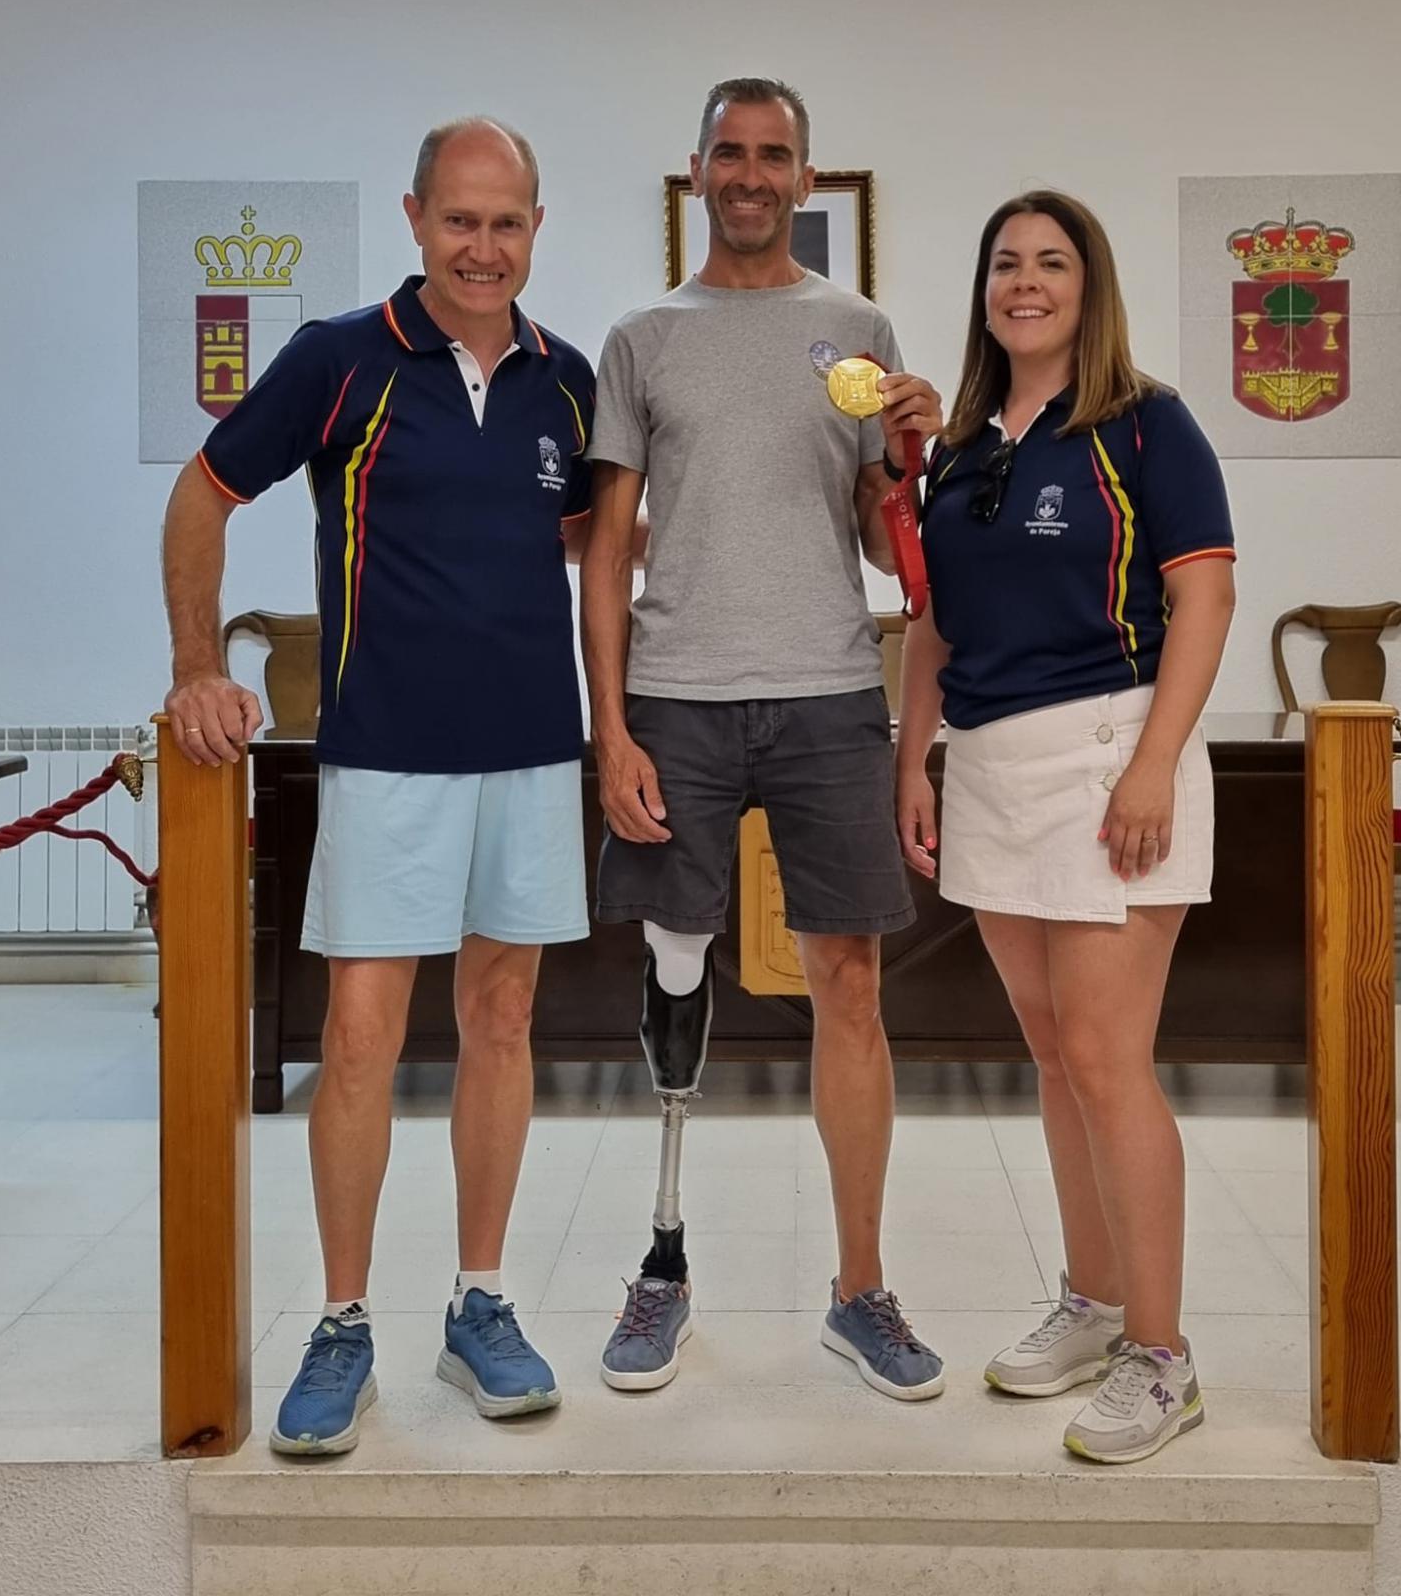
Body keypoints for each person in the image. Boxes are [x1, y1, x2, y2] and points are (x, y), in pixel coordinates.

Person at [160, 118, 598, 1454]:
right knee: (358, 1037)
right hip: (385, 752)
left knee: (502, 1020)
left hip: (532, 749)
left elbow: (587, 541)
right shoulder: (339, 358)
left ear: (535, 228)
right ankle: (342, 1321)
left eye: (506, 222)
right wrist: (197, 666)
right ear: (415, 218)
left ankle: (480, 1301)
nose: (483, 247)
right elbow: (202, 493)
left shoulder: (567, 380)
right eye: (459, 219)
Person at [579, 76, 947, 1400]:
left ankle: (860, 1290)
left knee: (848, 983)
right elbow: (605, 548)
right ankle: (663, 1264)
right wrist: (610, 728)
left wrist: (910, 453)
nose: (749, 173)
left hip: (827, 690)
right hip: (677, 693)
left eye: (772, 154)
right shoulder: (642, 340)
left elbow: (883, 541)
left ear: (803, 174)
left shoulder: (856, 332)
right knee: (678, 964)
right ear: (697, 171)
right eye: (727, 153)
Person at [896, 189, 1236, 1464]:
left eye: (1050, 262)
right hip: (987, 761)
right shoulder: (959, 449)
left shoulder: (1145, 424)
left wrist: (1151, 765)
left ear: (1087, 288)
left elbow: (1204, 599)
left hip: (1109, 757)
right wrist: (911, 758)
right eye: (1005, 263)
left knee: (1105, 1057)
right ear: (982, 290)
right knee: (1050, 1054)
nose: (1024, 282)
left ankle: (1162, 1356)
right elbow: (932, 623)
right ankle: (1093, 1304)